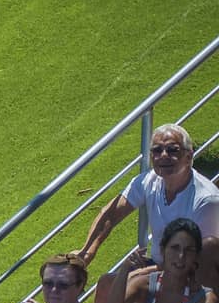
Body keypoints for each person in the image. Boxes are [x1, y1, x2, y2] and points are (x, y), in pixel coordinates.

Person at [79, 124, 219, 293]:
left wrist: (143, 273)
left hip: (192, 277)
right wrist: (87, 251)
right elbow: (111, 213)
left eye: (172, 150)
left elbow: (199, 261)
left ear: (189, 156)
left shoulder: (206, 200)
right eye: (157, 150)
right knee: (106, 285)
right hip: (160, 266)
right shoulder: (149, 181)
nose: (163, 156)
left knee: (122, 287)